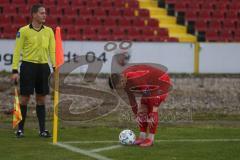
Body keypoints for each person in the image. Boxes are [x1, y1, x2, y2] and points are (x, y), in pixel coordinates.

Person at [11, 4, 55, 138]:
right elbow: (17, 51)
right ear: (34, 15)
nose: (45, 15)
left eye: (45, 13)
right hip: (28, 67)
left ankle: (42, 130)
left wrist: (55, 67)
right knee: (24, 98)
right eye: (42, 13)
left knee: (41, 99)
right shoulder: (23, 31)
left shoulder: (49, 31)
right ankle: (20, 129)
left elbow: (52, 50)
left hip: (43, 68)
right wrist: (14, 70)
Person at [109, 61, 171, 147]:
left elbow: (148, 94)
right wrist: (136, 114)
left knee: (151, 110)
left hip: (162, 82)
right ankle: (142, 137)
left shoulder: (134, 78)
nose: (121, 88)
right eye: (119, 88)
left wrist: (150, 110)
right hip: (150, 86)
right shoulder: (124, 81)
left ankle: (150, 139)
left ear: (122, 79)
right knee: (142, 112)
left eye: (121, 86)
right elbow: (132, 99)